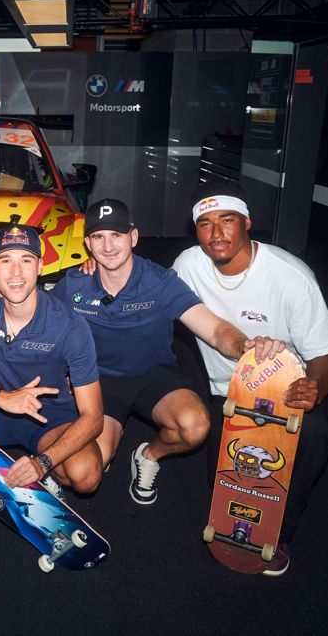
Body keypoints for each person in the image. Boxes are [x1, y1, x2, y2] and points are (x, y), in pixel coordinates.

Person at [55, 199, 283, 506]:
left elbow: (214, 329)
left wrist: (246, 345)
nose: (108, 246)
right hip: (100, 382)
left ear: (133, 237)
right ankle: (104, 445)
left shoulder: (160, 282)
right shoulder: (75, 284)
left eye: (116, 235)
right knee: (85, 473)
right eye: (99, 237)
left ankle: (148, 455)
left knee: (194, 426)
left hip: (154, 376)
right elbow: (41, 321)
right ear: (88, 244)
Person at [172, 178, 328, 577]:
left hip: (285, 388)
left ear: (247, 222)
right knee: (229, 475)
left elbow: (325, 357)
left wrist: (313, 388)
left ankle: (279, 533)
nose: (216, 233)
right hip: (227, 392)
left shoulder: (290, 276)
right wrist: (98, 266)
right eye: (206, 224)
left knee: (317, 435)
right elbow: (143, 288)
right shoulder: (188, 266)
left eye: (227, 220)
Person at [0, 225, 105, 538]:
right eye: (6, 260)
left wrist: (43, 463)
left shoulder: (70, 325)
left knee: (86, 475)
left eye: (26, 260)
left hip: (50, 422)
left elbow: (93, 417)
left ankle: (45, 478)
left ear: (40, 266)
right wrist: (2, 398)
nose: (15, 272)